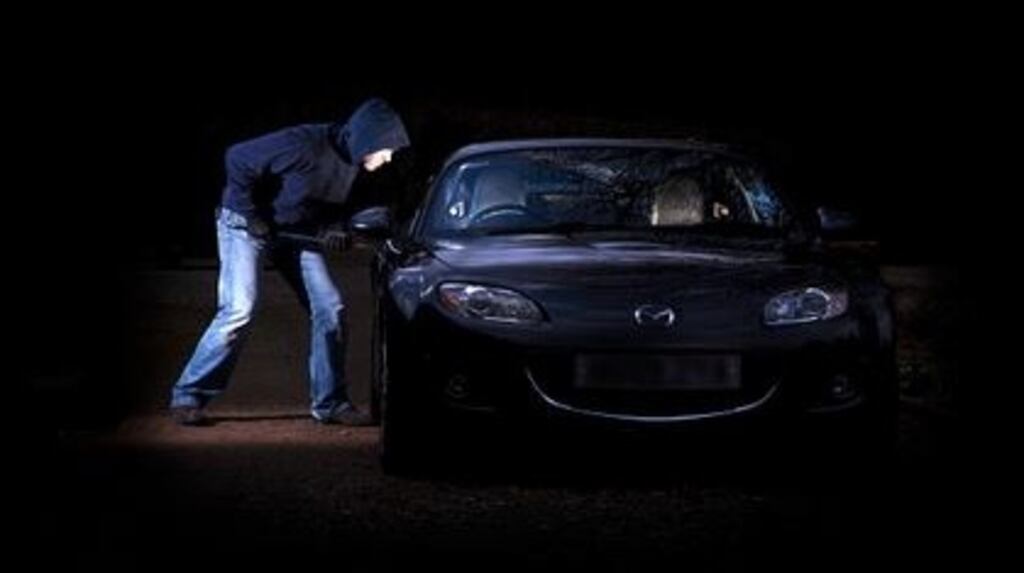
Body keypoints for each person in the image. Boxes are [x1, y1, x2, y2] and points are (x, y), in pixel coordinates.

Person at [169, 98, 410, 426]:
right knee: (240, 308)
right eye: (385, 149)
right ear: (366, 137)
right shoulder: (302, 143)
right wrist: (252, 215)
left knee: (330, 308)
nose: (388, 158)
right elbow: (236, 158)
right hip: (244, 225)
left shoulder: (354, 161)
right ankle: (188, 395)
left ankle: (330, 404)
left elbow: (323, 203)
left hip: (293, 234)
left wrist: (333, 230)